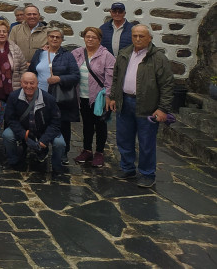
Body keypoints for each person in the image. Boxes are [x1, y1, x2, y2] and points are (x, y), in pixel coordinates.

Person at [107, 24, 174, 188]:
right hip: (125, 102)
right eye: (135, 35)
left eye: (141, 36)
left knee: (146, 142)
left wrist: (163, 108)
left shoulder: (158, 58)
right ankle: (127, 168)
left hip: (147, 106)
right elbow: (116, 77)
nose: (137, 39)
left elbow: (167, 85)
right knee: (124, 139)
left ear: (149, 38)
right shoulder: (124, 53)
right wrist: (114, 97)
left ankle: (147, 173)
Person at [28, 28, 79, 163]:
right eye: (52, 36)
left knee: (62, 124)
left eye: (58, 37)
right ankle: (42, 149)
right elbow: (32, 71)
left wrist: (59, 79)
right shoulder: (40, 53)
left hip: (58, 96)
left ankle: (63, 152)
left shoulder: (67, 55)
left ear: (62, 40)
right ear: (48, 38)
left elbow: (75, 76)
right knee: (40, 123)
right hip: (40, 94)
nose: (54, 39)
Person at [3, 72, 67, 176]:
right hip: (24, 130)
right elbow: (10, 119)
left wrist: (44, 140)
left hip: (44, 130)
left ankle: (56, 166)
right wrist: (24, 135)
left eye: (32, 83)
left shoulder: (48, 99)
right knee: (7, 135)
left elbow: (55, 122)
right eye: (25, 83)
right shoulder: (13, 97)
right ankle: (14, 161)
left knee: (59, 143)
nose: (29, 86)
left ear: (37, 83)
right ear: (21, 83)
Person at [71, 26, 115, 168]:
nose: (90, 39)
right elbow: (64, 59)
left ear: (99, 40)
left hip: (99, 98)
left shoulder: (106, 56)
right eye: (87, 36)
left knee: (100, 124)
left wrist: (108, 96)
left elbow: (110, 78)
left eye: (93, 37)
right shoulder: (77, 53)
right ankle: (87, 150)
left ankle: (99, 152)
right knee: (87, 124)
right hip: (82, 95)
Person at [0, 20, 28, 157]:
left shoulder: (15, 49)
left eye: (4, 31)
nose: (2, 34)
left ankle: (12, 148)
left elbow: (22, 69)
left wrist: (21, 86)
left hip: (13, 91)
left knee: (12, 120)